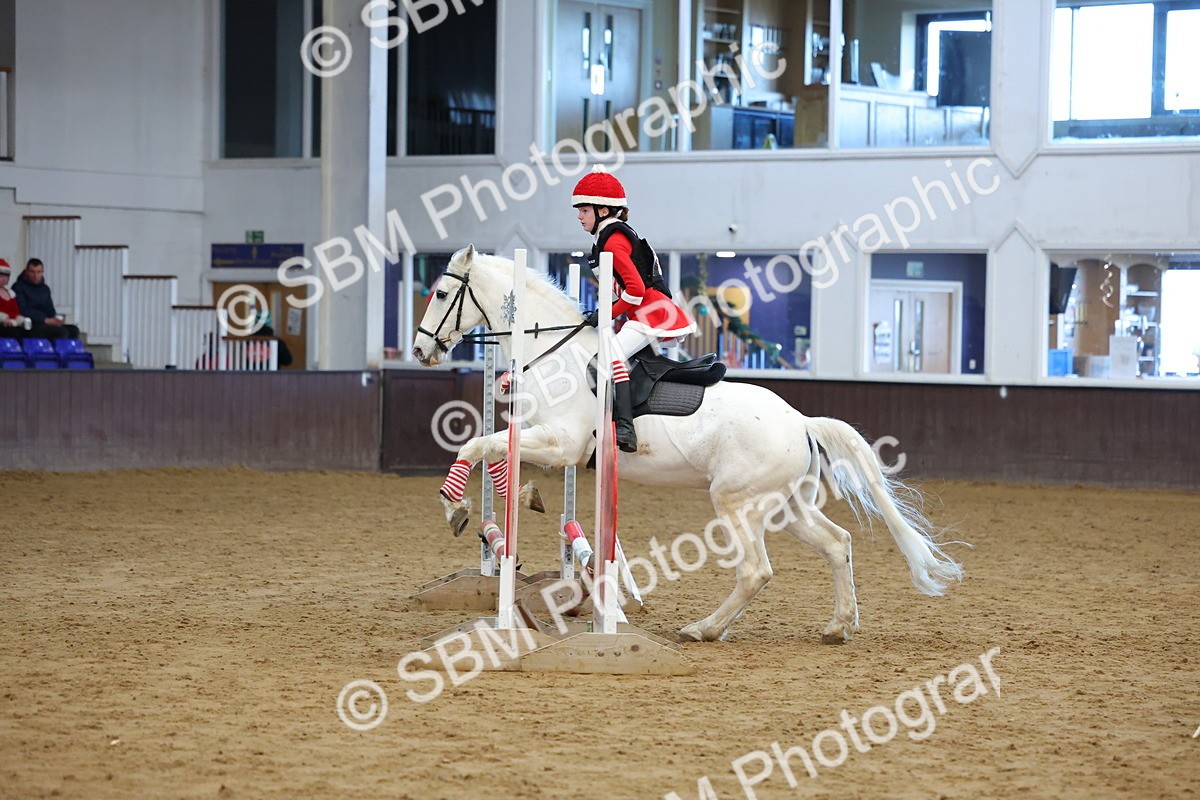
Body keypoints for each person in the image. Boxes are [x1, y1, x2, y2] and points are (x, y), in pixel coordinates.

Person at [571, 165, 695, 453]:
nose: (579, 216)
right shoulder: (608, 237)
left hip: (651, 313)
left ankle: (625, 428)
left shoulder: (613, 242)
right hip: (646, 312)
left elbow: (636, 290)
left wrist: (607, 313)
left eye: (584, 210)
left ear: (603, 211)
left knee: (609, 359)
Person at [14, 258, 80, 340]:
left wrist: (55, 320)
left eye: (39, 272)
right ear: (26, 272)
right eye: (32, 272)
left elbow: (50, 309)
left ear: (42, 272)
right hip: (30, 325)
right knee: (61, 332)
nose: (35, 275)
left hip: (45, 323)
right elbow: (22, 310)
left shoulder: (45, 289)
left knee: (73, 330)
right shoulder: (18, 287)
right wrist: (44, 319)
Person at [0, 259, 32, 338]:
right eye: (1, 276)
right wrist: (4, 319)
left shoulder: (11, 294)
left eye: (6, 276)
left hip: (12, 324)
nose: (4, 279)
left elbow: (16, 312)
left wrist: (19, 321)